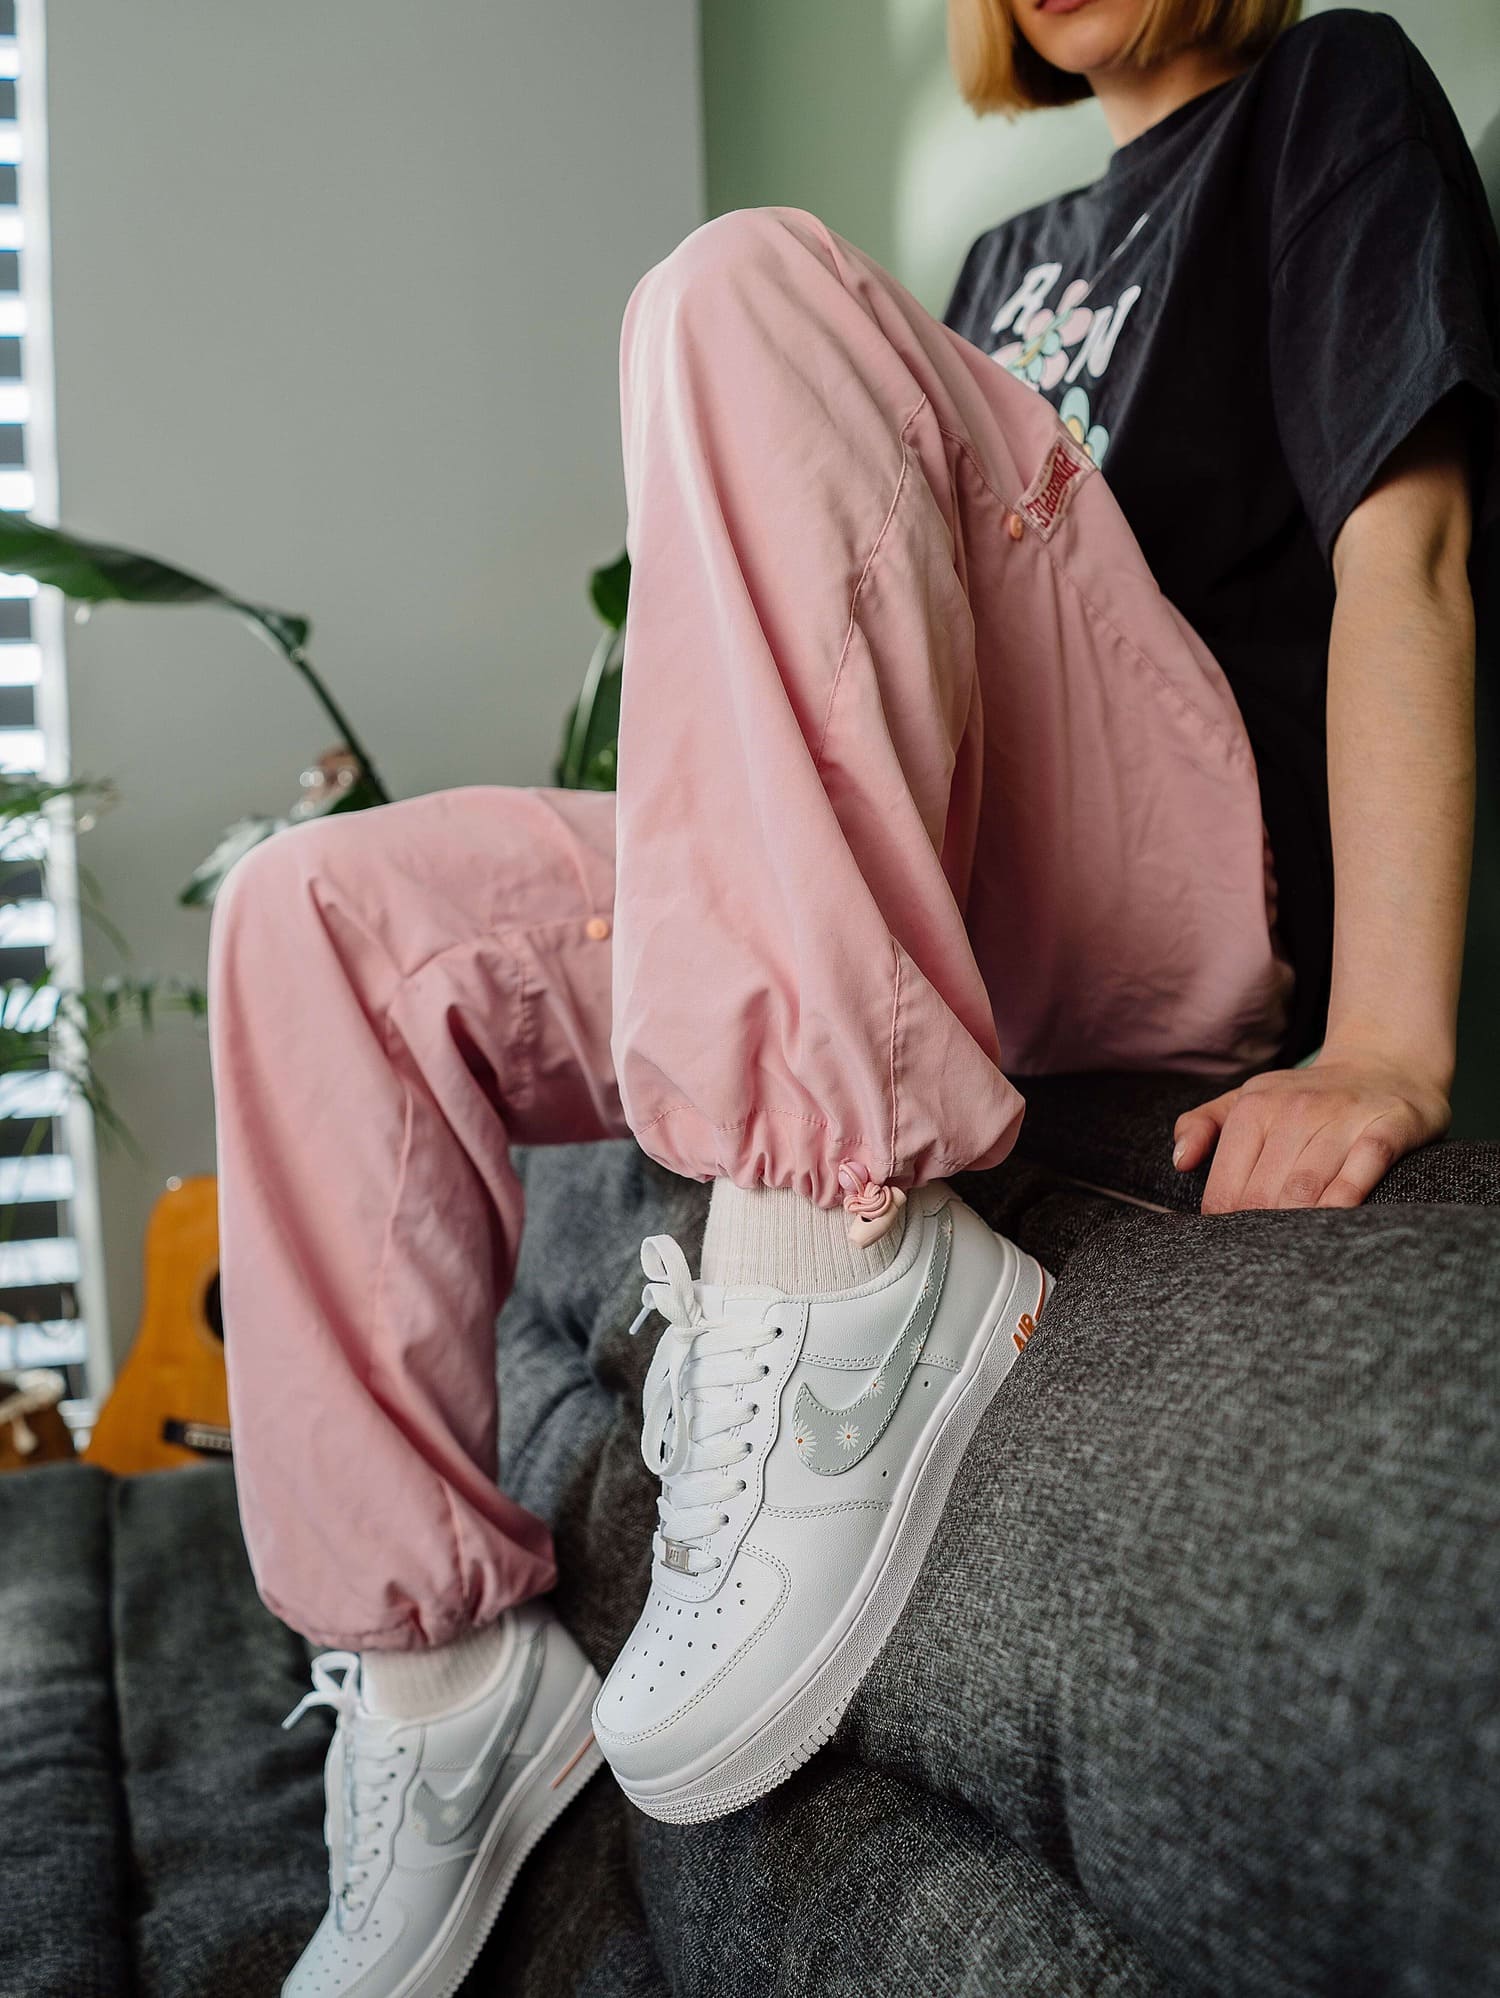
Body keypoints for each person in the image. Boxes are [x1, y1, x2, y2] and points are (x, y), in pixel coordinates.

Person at [205, 2, 1499, 1993]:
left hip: (1182, 871)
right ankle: (446, 1689)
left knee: (736, 288)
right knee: (319, 916)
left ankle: (841, 1251)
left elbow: (1410, 563)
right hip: (965, 911)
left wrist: (1389, 1038)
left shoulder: (1328, 101)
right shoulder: (1007, 262)